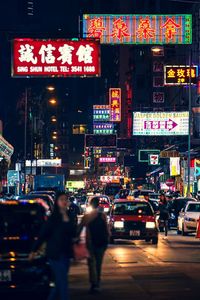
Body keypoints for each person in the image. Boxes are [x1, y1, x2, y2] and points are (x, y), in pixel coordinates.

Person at [29, 192, 76, 300]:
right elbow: (42, 235)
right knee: (63, 283)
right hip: (55, 255)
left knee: (59, 285)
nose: (64, 202)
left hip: (66, 255)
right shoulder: (53, 218)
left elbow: (73, 233)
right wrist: (33, 250)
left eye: (66, 200)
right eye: (62, 200)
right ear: (57, 202)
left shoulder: (70, 216)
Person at [78, 197, 109, 294]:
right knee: (98, 264)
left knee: (92, 263)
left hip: (91, 243)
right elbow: (107, 230)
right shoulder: (102, 215)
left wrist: (75, 238)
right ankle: (97, 283)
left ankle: (94, 283)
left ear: (90, 205)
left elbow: (79, 229)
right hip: (102, 243)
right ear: (98, 204)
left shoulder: (87, 216)